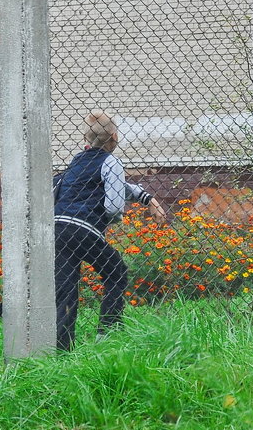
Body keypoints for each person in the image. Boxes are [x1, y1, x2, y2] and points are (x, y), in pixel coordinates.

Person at [53, 110, 167, 350]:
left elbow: (63, 184)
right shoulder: (111, 161)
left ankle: (63, 349)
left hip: (58, 228)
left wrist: (147, 199)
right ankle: (108, 333)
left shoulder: (76, 160)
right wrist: (110, 220)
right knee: (116, 272)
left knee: (66, 288)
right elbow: (114, 204)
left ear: (87, 140)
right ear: (115, 136)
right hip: (85, 229)